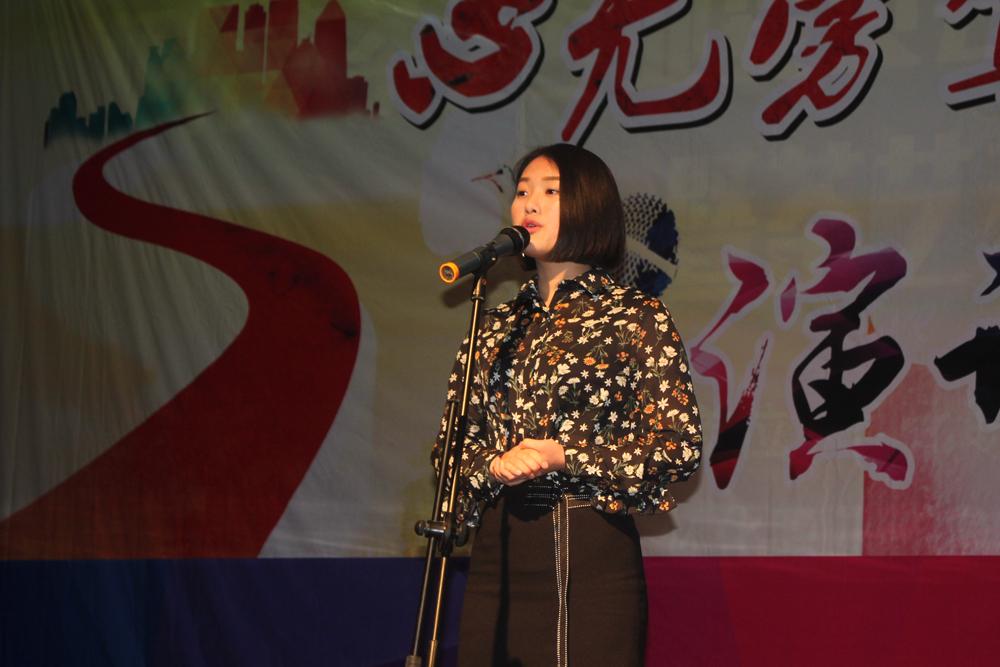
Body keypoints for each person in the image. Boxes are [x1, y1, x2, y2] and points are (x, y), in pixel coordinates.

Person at [433, 143, 702, 667]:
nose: (529, 204)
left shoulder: (635, 316)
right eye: (522, 192)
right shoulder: (495, 325)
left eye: (550, 192)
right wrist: (491, 464)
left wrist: (566, 454)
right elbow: (450, 449)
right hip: (497, 558)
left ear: (589, 206)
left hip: (591, 558)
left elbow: (679, 447)